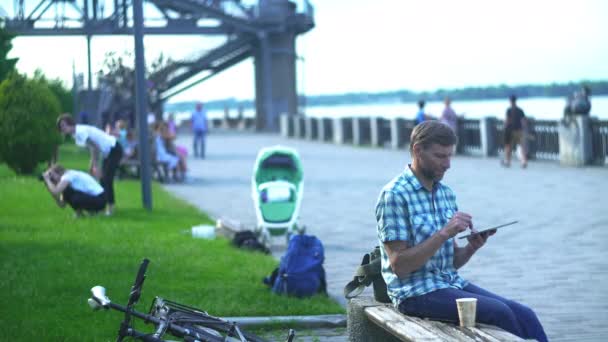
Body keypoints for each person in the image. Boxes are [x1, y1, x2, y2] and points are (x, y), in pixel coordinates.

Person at [375, 121, 547, 342]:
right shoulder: (394, 196)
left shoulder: (445, 193)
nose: (448, 164)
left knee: (525, 315)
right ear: (418, 150)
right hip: (414, 293)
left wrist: (471, 247)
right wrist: (444, 233)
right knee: (499, 312)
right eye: (440, 156)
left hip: (449, 282)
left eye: (449, 156)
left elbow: (451, 263)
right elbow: (399, 266)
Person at [56, 113, 123, 215]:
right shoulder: (76, 134)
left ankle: (110, 208)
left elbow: (95, 147)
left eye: (64, 126)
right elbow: (92, 147)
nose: (62, 129)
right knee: (102, 179)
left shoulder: (80, 131)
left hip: (114, 149)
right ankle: (104, 207)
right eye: (61, 128)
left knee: (106, 179)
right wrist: (92, 164)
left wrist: (95, 164)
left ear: (70, 124)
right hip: (108, 152)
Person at [42, 164, 106, 217]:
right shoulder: (70, 175)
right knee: (68, 192)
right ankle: (81, 213)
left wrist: (47, 179)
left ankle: (94, 212)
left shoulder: (68, 176)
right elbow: (62, 204)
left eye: (53, 176)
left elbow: (56, 191)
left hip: (100, 199)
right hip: (100, 199)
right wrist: (50, 189)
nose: (52, 179)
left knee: (71, 194)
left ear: (59, 173)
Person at [502, 95, 528, 168]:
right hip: (519, 130)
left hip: (510, 130)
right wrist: (523, 129)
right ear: (516, 101)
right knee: (521, 147)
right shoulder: (520, 110)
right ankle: (524, 162)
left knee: (508, 146)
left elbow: (507, 121)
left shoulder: (509, 110)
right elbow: (523, 121)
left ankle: (508, 161)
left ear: (510, 101)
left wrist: (504, 127)